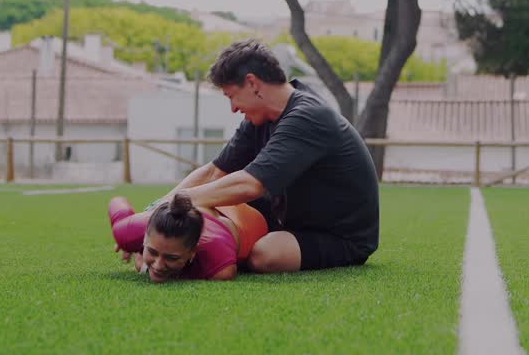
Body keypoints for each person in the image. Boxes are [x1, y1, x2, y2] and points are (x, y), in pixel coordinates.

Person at [156, 39, 379, 273]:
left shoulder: (308, 116)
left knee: (264, 255)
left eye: (231, 96)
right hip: (284, 220)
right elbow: (215, 171)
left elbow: (252, 184)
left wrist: (177, 202)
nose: (232, 108)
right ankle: (175, 251)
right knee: (207, 208)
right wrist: (156, 212)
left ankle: (197, 260)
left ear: (252, 83)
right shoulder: (259, 117)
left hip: (339, 237)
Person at [109, 193, 268, 283]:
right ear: (143, 238)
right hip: (195, 202)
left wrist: (143, 266)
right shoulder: (132, 230)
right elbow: (117, 201)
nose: (158, 265)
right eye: (152, 251)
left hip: (246, 220)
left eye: (171, 258)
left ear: (193, 252)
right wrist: (126, 239)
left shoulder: (221, 268)